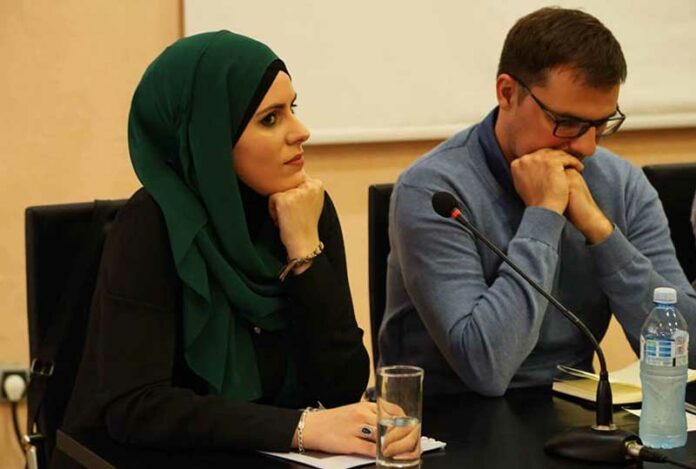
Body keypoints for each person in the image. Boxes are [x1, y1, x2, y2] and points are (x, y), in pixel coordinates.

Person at [53, 31, 382, 467]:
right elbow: (137, 407)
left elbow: (342, 387)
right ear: (208, 136)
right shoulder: (152, 225)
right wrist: (299, 428)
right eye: (270, 119)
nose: (301, 132)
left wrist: (305, 251)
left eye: (293, 108)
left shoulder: (305, 209)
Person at [378, 7, 696, 397]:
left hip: (569, 406)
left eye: (600, 125)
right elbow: (486, 368)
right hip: (449, 415)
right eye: (567, 123)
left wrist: (601, 232)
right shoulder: (434, 190)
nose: (587, 147)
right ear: (507, 93)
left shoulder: (621, 183)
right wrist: (543, 215)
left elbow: (690, 353)